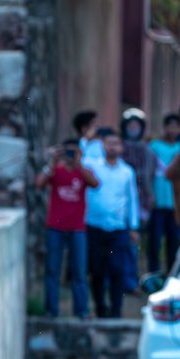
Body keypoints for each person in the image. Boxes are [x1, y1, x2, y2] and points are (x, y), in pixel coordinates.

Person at [36, 139, 99, 318]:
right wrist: (52, 162)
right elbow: (39, 184)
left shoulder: (83, 172)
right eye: (67, 151)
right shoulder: (55, 170)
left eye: (74, 151)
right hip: (55, 228)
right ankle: (51, 311)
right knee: (52, 269)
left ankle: (81, 311)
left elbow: (95, 184)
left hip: (77, 228)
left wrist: (79, 164)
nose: (70, 155)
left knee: (79, 271)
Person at [85, 129, 139, 319]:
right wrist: (88, 138)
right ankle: (100, 308)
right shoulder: (92, 166)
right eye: (109, 143)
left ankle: (116, 310)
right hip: (94, 225)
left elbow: (132, 199)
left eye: (116, 144)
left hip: (118, 227)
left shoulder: (127, 172)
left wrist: (133, 226)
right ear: (103, 145)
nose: (112, 147)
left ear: (121, 147)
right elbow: (80, 154)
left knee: (117, 269)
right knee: (97, 270)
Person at [148, 113, 180, 272]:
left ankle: (171, 272)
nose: (173, 129)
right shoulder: (154, 146)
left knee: (173, 241)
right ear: (165, 127)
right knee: (154, 241)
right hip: (158, 201)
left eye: (176, 126)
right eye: (170, 126)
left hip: (175, 204)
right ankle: (153, 272)